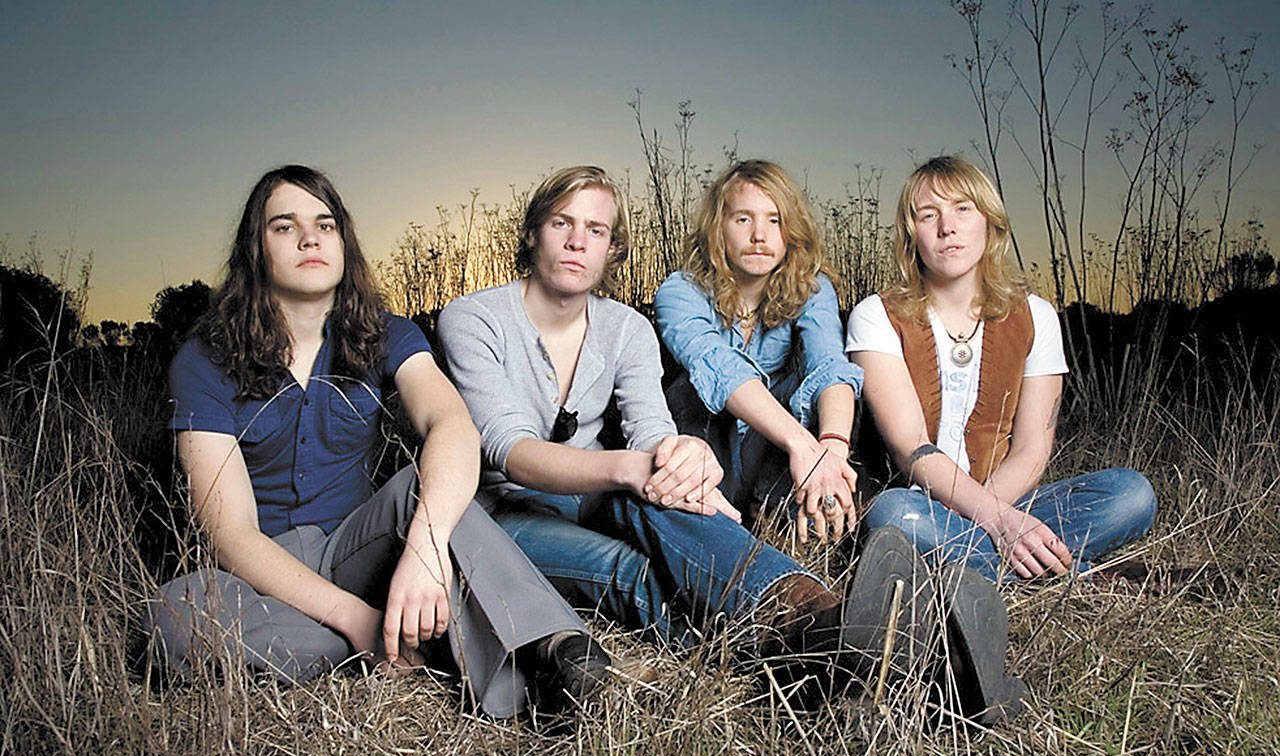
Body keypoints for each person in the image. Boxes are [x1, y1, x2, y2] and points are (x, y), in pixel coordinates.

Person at [147, 165, 606, 718]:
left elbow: (452, 425)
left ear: (344, 241)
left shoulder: (385, 333)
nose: (310, 238)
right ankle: (377, 638)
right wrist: (356, 619)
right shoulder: (204, 359)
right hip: (256, 572)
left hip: (353, 546)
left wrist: (426, 546)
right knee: (174, 618)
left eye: (325, 224)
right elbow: (230, 535)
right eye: (285, 227)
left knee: (432, 484)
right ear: (255, 248)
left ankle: (556, 651)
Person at [437, 165, 867, 664]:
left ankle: (815, 614)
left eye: (595, 230)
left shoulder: (627, 329)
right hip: (501, 511)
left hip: (598, 497)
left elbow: (651, 431)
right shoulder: (472, 318)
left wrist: (681, 458)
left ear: (612, 249)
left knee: (667, 485)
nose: (578, 242)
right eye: (562, 224)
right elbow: (508, 450)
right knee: (635, 570)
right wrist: (632, 469)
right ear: (533, 233)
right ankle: (799, 653)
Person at [846, 156, 1156, 582]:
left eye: (962, 209)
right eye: (928, 214)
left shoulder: (1035, 316)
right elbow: (911, 447)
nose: (946, 226)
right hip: (917, 504)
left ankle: (965, 566)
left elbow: (1032, 449)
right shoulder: (877, 315)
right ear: (910, 234)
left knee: (1132, 495)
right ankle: (1079, 576)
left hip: (1003, 505)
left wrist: (999, 518)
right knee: (893, 515)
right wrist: (997, 524)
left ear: (988, 222)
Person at [655, 160, 862, 543]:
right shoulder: (679, 290)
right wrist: (803, 446)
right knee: (691, 389)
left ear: (791, 232)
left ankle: (797, 524)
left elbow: (830, 365)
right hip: (706, 442)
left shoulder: (813, 289)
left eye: (774, 220)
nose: (759, 236)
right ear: (719, 228)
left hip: (774, 461)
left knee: (827, 397)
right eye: (743, 220)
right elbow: (719, 368)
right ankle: (710, 526)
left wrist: (831, 451)